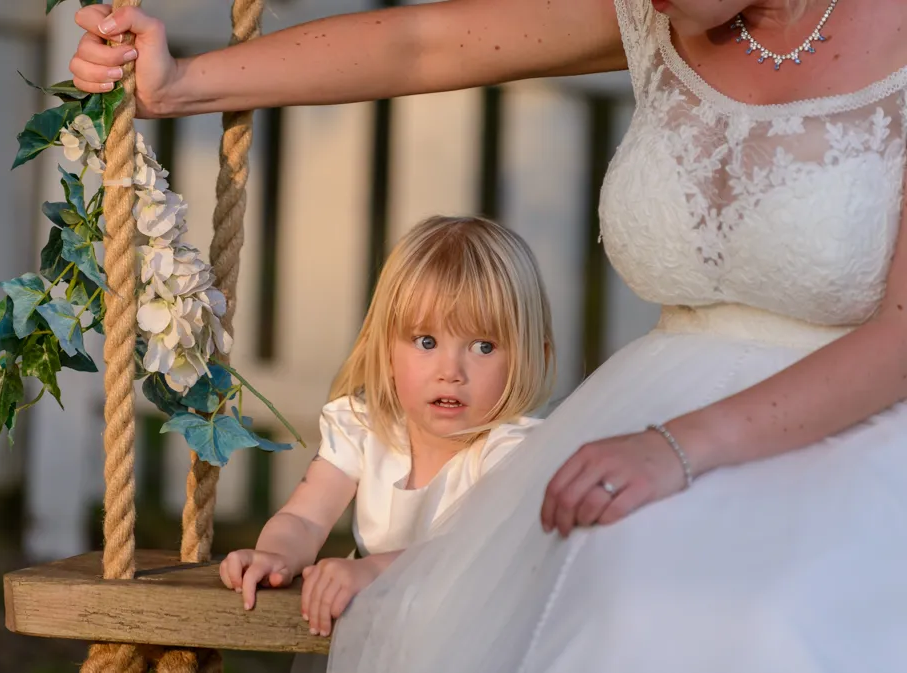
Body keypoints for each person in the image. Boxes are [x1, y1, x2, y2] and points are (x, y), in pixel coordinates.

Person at [71, 0, 907, 670]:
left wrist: (673, 449)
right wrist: (179, 83)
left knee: (752, 623)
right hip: (643, 431)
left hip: (851, 443)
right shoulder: (658, 12)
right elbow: (420, 43)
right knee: (585, 597)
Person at [217, 216, 553, 659]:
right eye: (426, 341)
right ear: (385, 348)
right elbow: (306, 518)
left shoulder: (511, 453)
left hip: (471, 648)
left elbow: (468, 554)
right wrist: (276, 554)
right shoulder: (366, 428)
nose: (450, 372)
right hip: (380, 642)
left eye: (483, 346)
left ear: (528, 355)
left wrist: (374, 571)